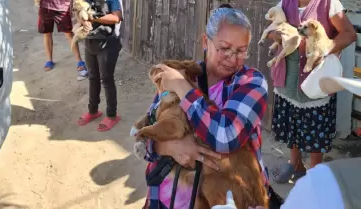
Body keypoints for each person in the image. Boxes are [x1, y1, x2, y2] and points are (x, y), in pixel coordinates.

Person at [139, 5, 273, 209]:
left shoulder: (251, 82)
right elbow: (146, 138)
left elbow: (225, 136)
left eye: (241, 51)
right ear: (205, 42)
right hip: (169, 197)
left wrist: (182, 87)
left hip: (226, 198)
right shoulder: (185, 72)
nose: (232, 58)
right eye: (224, 48)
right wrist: (168, 146)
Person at [268, 0, 357, 183]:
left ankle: (315, 171)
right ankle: (296, 164)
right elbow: (270, 30)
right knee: (292, 121)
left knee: (315, 125)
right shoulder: (285, 3)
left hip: (315, 77)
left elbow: (349, 34)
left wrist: (326, 49)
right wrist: (277, 35)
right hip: (288, 77)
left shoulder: (329, 4)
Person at [250, 76, 361, 209]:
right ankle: (296, 165)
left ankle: (314, 174)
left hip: (315, 84)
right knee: (293, 120)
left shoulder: (333, 177)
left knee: (316, 130)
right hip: (290, 80)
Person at [76, 0, 123, 132]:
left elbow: (116, 17)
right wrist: (82, 20)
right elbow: (78, 14)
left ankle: (112, 115)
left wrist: (93, 18)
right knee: (93, 77)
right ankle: (93, 111)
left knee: (106, 79)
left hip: (107, 43)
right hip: (90, 42)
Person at [38, 0, 88, 80]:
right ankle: (49, 60)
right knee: (46, 33)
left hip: (62, 6)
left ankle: (80, 61)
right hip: (45, 5)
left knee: (69, 33)